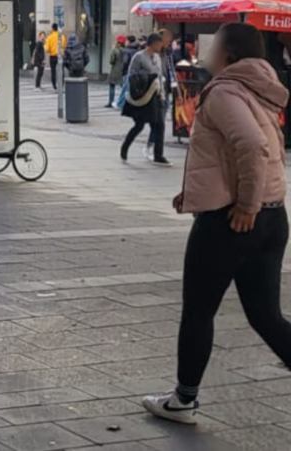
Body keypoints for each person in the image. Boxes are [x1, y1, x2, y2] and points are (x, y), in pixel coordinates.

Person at [143, 23, 291, 425]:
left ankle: (183, 400)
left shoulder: (226, 91)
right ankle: (184, 397)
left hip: (232, 222)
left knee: (198, 311)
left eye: (215, 44)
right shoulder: (258, 89)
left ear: (228, 55)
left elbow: (252, 147)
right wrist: (194, 193)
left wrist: (245, 204)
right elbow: (235, 153)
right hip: (273, 216)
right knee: (265, 315)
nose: (207, 51)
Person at [121, 32, 170, 166]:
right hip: (143, 96)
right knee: (139, 126)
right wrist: (147, 78)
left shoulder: (158, 57)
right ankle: (125, 147)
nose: (161, 46)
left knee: (159, 125)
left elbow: (160, 76)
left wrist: (162, 92)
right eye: (159, 44)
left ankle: (158, 155)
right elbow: (132, 76)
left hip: (156, 96)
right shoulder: (139, 57)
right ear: (152, 44)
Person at [146, 27, 177, 160]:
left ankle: (151, 147)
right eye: (166, 40)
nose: (168, 42)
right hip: (155, 93)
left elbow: (170, 71)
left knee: (160, 123)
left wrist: (175, 87)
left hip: (165, 91)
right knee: (159, 123)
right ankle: (154, 150)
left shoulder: (167, 54)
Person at [107, 34, 126, 108]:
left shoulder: (115, 50)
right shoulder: (125, 50)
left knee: (112, 86)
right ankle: (122, 101)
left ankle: (111, 102)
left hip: (115, 70)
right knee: (123, 87)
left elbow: (112, 61)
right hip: (122, 70)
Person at [45, 23, 66, 90]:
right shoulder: (62, 37)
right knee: (61, 71)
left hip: (52, 56)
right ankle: (61, 85)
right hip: (60, 56)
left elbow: (47, 49)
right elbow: (63, 46)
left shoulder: (49, 37)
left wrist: (51, 50)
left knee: (53, 71)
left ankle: (54, 85)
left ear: (52, 28)